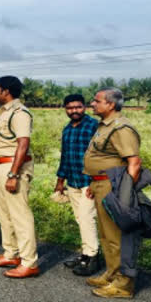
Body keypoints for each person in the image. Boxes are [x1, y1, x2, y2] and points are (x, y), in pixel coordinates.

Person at [83, 87, 141, 298]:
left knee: (117, 236)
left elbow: (134, 163)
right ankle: (112, 272)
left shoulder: (121, 128)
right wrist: (93, 184)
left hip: (113, 186)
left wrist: (124, 196)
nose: (92, 104)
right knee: (107, 234)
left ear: (110, 104)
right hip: (101, 184)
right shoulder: (105, 127)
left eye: (97, 101)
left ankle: (124, 284)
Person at [0, 76, 40, 278]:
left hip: (13, 166)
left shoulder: (20, 113)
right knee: (5, 213)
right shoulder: (5, 112)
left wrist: (13, 174)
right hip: (1, 164)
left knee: (20, 215)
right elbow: (1, 142)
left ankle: (29, 262)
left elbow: (23, 144)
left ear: (6, 91)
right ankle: (11, 253)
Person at [54, 94, 101, 276]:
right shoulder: (67, 130)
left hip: (89, 182)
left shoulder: (93, 126)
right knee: (80, 219)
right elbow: (65, 157)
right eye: (70, 108)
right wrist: (60, 181)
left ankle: (92, 257)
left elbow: (100, 156)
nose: (74, 111)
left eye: (78, 107)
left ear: (85, 107)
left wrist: (95, 181)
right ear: (65, 109)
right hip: (72, 181)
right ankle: (85, 254)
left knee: (87, 217)